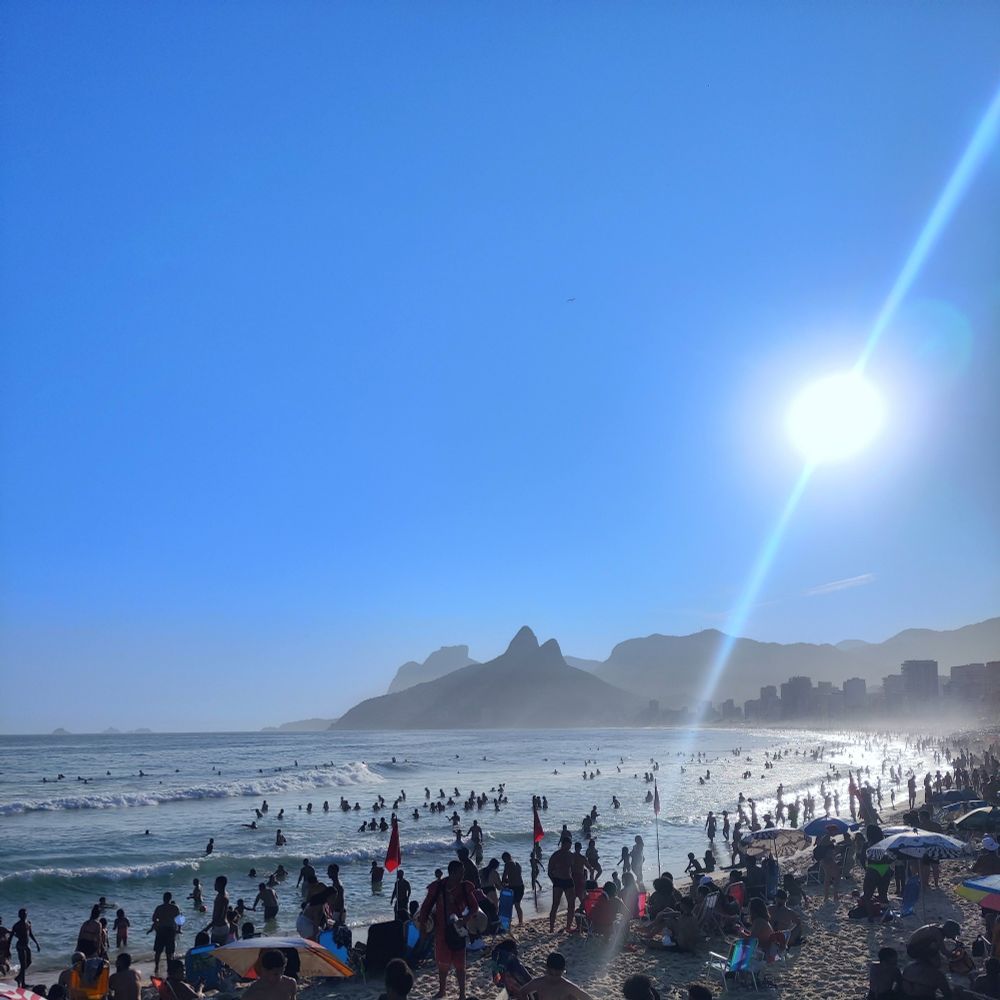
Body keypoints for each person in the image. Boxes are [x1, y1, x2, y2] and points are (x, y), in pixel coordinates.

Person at [417, 859, 480, 1000]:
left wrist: (466, 919)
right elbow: (425, 907)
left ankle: (462, 994)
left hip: (459, 931)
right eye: (460, 873)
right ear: (452, 873)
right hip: (441, 931)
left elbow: (474, 907)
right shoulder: (438, 887)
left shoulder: (464, 888)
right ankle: (442, 990)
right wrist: (422, 927)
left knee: (460, 964)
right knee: (442, 963)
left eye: (463, 873)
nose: (462, 876)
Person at [520, 952, 594, 1000]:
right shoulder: (539, 983)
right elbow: (522, 992)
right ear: (546, 969)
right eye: (551, 974)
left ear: (562, 971)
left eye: (557, 975)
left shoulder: (566, 986)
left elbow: (587, 997)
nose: (554, 978)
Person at [548, 836, 577, 932]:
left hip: (568, 880)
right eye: (567, 845)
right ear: (563, 844)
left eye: (570, 846)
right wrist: (554, 881)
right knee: (555, 904)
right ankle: (551, 928)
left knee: (571, 904)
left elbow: (574, 869)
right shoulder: (556, 855)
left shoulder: (571, 855)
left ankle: (568, 926)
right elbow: (549, 871)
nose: (569, 847)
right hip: (558, 881)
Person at [149, 893, 181, 976]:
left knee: (158, 951)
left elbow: (154, 919)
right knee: (169, 952)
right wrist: (179, 929)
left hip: (161, 930)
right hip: (171, 930)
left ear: (163, 898)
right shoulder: (175, 907)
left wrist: (157, 924)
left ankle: (156, 966)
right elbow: (179, 920)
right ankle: (169, 968)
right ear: (170, 898)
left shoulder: (159, 908)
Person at [12, 910, 40, 988]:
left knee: (29, 961)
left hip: (27, 945)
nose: (24, 916)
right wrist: (8, 949)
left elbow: (30, 934)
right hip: (20, 946)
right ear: (19, 916)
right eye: (22, 914)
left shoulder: (28, 923)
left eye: (25, 914)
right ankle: (23, 983)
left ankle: (19, 977)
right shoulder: (16, 925)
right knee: (23, 964)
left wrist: (37, 943)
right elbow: (11, 936)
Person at [501, 851, 525, 926]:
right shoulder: (517, 864)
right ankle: (520, 921)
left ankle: (508, 921)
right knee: (517, 905)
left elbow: (504, 876)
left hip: (514, 887)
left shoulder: (507, 864)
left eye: (504, 859)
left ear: (507, 857)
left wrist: (502, 884)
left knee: (510, 905)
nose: (504, 861)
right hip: (521, 886)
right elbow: (516, 876)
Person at [209, 876, 230, 946]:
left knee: (214, 950)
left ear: (220, 884)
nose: (214, 885)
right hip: (224, 926)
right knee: (222, 950)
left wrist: (207, 928)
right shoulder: (225, 894)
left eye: (216, 883)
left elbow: (218, 916)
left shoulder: (221, 898)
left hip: (219, 928)